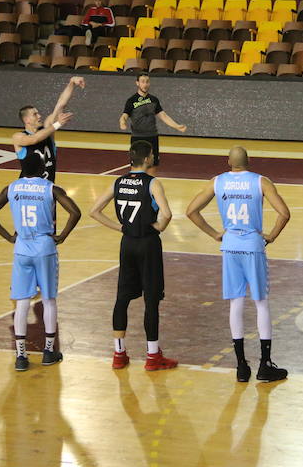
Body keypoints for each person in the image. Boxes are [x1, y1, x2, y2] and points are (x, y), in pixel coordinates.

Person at [185, 146, 291, 382]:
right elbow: (284, 213)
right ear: (249, 161)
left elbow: (191, 211)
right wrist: (271, 235)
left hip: (230, 247)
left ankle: (241, 366)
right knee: (261, 303)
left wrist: (214, 234)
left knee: (236, 302)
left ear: (228, 162)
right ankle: (265, 364)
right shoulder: (261, 182)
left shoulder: (217, 181)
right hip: (253, 246)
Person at [0, 152, 82, 371]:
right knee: (48, 300)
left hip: (22, 248)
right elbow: (75, 212)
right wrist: (63, 235)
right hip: (44, 247)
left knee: (22, 302)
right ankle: (48, 351)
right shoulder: (50, 188)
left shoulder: (11, 188)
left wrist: (8, 236)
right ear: (40, 169)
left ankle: (20, 356)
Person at [88, 140, 177, 371]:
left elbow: (94, 211)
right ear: (147, 158)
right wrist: (159, 227)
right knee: (151, 300)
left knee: (122, 298)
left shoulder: (118, 182)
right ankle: (153, 356)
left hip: (127, 243)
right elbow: (166, 214)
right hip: (148, 243)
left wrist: (120, 228)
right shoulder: (153, 183)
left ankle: (119, 354)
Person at [13, 76, 84, 183]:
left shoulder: (48, 129)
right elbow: (34, 139)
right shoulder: (18, 137)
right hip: (26, 190)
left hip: (46, 190)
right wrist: (57, 124)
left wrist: (71, 83)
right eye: (35, 114)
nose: (39, 116)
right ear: (27, 120)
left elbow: (60, 105)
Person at [119, 73, 187, 175]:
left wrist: (176, 126)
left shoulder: (154, 100)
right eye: (142, 82)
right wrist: (122, 122)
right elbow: (124, 115)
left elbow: (163, 116)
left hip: (152, 137)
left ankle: (149, 188)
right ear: (137, 83)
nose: (145, 84)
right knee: (136, 167)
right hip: (138, 138)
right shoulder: (131, 101)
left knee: (152, 166)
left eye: (147, 82)